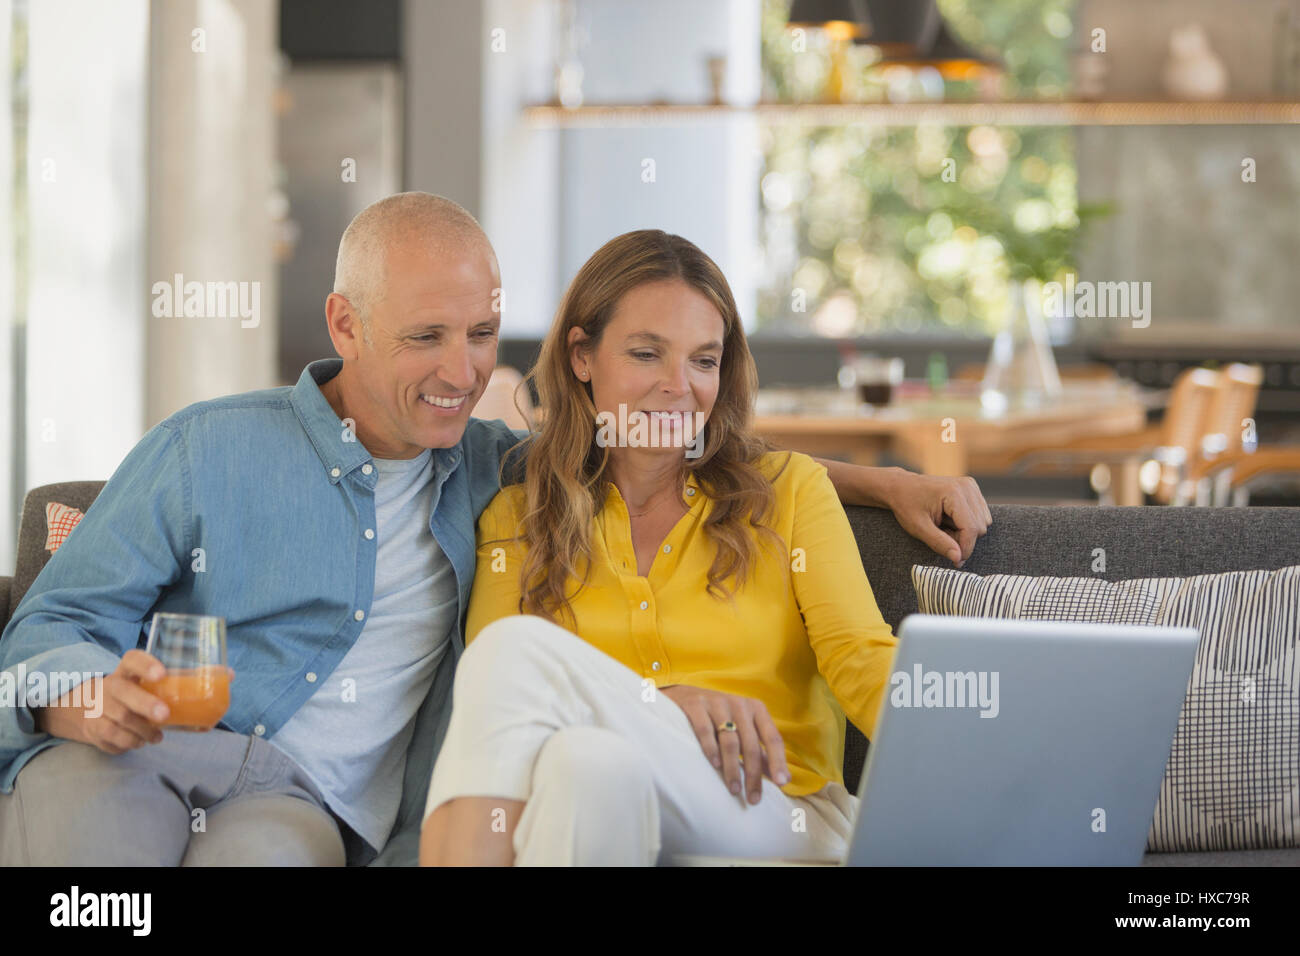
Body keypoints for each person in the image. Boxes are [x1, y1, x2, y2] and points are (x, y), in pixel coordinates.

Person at [0, 193, 989, 866]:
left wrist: (879, 479)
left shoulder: (496, 467)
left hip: (305, 804)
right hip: (140, 747)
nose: (460, 371)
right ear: (344, 324)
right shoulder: (218, 451)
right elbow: (46, 627)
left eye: (479, 335)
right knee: (91, 891)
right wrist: (77, 697)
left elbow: (679, 442)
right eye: (424, 336)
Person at [420, 229, 958, 866]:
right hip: (612, 804)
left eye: (704, 360)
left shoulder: (789, 495)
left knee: (513, 654)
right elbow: (503, 716)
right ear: (581, 357)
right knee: (583, 762)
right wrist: (661, 708)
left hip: (777, 808)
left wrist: (975, 739)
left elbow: (862, 660)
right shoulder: (518, 517)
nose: (680, 386)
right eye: (647, 354)